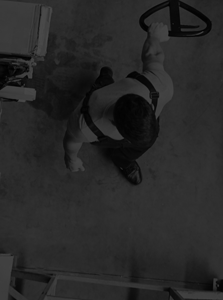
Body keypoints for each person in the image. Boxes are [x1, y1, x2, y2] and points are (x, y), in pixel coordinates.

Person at [62, 22, 174, 185]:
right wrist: (71, 158)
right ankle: (103, 80)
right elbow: (71, 140)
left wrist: (154, 36)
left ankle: (104, 78)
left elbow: (153, 56)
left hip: (113, 93)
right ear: (116, 125)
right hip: (97, 103)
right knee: (100, 88)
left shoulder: (160, 86)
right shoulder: (85, 125)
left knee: (148, 140)